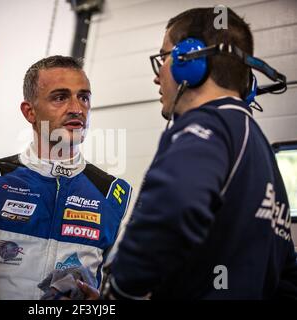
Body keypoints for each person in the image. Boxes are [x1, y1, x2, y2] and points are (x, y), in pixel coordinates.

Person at [104, 7, 297, 299]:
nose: (158, 78)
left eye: (164, 58)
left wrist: (121, 290)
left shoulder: (210, 123)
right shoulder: (261, 150)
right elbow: (288, 276)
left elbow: (174, 205)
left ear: (188, 60)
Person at [0, 55, 132, 299]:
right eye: (60, 97)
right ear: (30, 112)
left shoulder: (114, 194)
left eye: (84, 97)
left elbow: (135, 288)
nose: (77, 109)